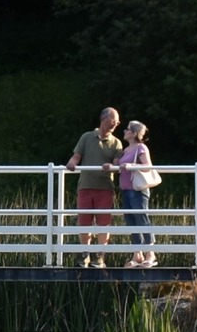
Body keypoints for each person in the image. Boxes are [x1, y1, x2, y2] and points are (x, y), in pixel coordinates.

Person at [66, 107, 125, 267]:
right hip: (85, 186)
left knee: (103, 223)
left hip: (105, 187)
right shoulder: (87, 137)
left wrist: (111, 166)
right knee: (84, 221)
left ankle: (99, 256)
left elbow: (117, 163)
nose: (116, 123)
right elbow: (76, 156)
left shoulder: (116, 143)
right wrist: (72, 163)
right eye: (114, 119)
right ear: (104, 118)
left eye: (118, 121)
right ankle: (85, 253)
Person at [114, 120, 158, 267]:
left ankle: (150, 253)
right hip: (126, 189)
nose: (124, 131)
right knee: (130, 220)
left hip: (137, 189)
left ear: (133, 133)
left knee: (141, 218)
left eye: (127, 129)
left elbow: (147, 166)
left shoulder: (141, 147)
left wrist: (132, 165)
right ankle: (137, 254)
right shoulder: (126, 150)